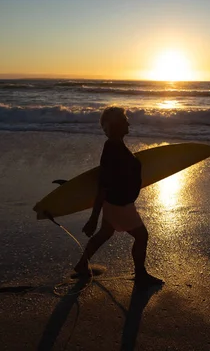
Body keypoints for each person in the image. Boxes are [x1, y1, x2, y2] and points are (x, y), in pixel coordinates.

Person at [74, 106, 164, 289]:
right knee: (141, 235)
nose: (128, 123)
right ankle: (140, 274)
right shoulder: (113, 148)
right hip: (119, 204)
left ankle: (82, 264)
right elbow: (103, 184)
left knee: (106, 232)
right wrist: (93, 217)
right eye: (124, 120)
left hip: (116, 202)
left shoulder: (115, 145)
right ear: (115, 125)